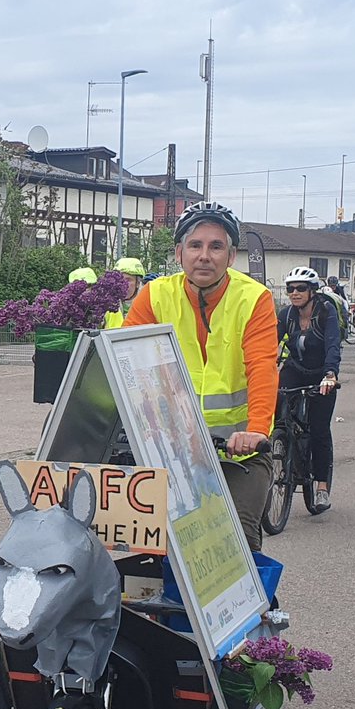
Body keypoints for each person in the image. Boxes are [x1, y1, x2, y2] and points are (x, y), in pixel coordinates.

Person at [123, 200, 278, 552]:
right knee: (145, 540)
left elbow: (262, 367)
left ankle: (255, 607)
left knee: (237, 537)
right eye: (195, 245)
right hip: (171, 448)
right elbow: (124, 361)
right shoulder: (155, 295)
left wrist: (256, 429)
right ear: (179, 253)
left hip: (238, 451)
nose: (204, 255)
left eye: (216, 246)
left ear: (232, 256)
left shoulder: (253, 299)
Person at [277, 267, 340, 510]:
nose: (294, 293)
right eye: (290, 288)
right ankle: (282, 449)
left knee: (319, 430)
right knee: (276, 410)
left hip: (321, 373)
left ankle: (321, 486)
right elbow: (272, 343)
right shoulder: (287, 315)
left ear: (312, 291)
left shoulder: (326, 312)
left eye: (300, 288)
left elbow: (333, 344)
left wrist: (330, 374)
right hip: (295, 369)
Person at [103, 257, 145, 329]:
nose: (122, 284)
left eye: (128, 280)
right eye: (119, 279)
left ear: (138, 283)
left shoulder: (147, 303)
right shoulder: (105, 303)